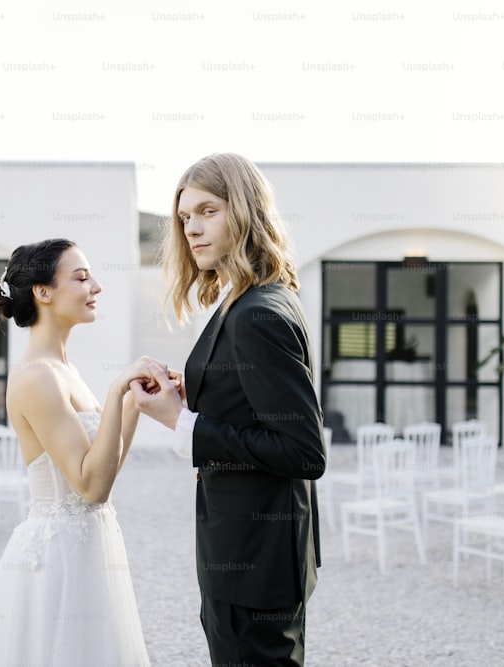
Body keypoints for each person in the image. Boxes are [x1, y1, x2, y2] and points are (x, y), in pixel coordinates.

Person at [130, 153, 326, 666]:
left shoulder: (257, 313)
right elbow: (258, 404)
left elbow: (304, 451)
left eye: (207, 211)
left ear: (245, 211)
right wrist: (199, 392)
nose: (192, 229)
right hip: (250, 556)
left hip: (254, 569)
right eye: (184, 217)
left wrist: (180, 421)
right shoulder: (253, 298)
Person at [0, 238, 152, 667]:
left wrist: (134, 403)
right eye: (82, 277)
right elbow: (91, 487)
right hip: (58, 559)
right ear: (43, 292)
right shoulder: (35, 377)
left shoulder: (65, 371)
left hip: (90, 545)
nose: (96, 287)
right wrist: (116, 387)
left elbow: (104, 469)